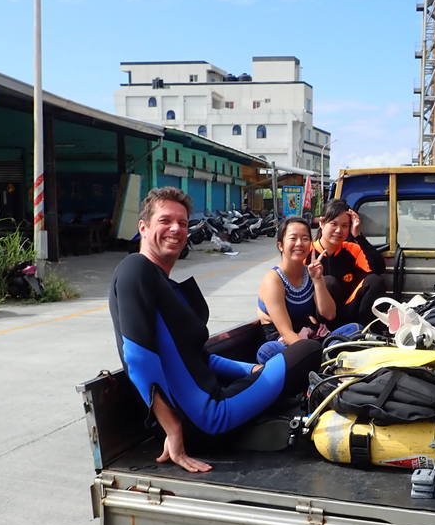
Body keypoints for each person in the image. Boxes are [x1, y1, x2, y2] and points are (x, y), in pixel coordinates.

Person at [109, 187, 321, 473]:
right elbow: (136, 357)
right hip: (210, 417)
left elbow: (200, 356)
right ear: (143, 227)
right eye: (165, 221)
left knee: (287, 369)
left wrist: (250, 370)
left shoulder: (165, 285)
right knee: (308, 350)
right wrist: (173, 430)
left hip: (212, 401)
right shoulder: (136, 268)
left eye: (183, 223)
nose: (175, 229)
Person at [256, 216, 356, 364]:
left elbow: (329, 314)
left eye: (304, 238)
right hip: (285, 343)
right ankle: (326, 358)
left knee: (355, 328)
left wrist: (318, 280)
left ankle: (323, 358)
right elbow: (287, 333)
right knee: (267, 351)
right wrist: (314, 350)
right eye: (293, 238)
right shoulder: (273, 280)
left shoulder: (309, 272)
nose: (299, 243)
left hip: (310, 337)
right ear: (280, 245)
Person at [311, 198, 386, 327]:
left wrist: (358, 236)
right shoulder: (307, 252)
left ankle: (363, 331)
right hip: (322, 316)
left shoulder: (352, 249)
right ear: (322, 223)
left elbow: (379, 268)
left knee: (375, 281)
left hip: (349, 312)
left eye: (344, 226)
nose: (339, 230)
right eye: (334, 224)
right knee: (328, 282)